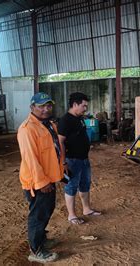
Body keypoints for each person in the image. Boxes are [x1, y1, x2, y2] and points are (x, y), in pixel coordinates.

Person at [17, 92, 63, 263]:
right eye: (41, 106)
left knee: (47, 210)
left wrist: (60, 171)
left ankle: (42, 239)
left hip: (49, 177)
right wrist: (42, 182)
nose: (46, 109)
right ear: (32, 107)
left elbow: (54, 150)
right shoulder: (27, 129)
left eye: (48, 105)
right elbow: (31, 159)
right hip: (37, 181)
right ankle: (36, 250)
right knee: (38, 215)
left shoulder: (48, 125)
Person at [58, 92, 101, 225]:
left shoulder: (80, 118)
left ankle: (86, 209)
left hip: (83, 158)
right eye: (83, 106)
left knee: (85, 184)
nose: (85, 108)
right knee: (71, 187)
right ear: (75, 104)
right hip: (72, 160)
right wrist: (63, 162)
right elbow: (60, 142)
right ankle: (71, 215)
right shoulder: (65, 120)